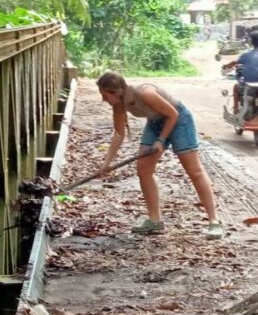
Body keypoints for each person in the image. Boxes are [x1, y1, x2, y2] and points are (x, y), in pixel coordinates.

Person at [96, 72, 224, 239]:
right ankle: (155, 220)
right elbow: (119, 134)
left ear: (116, 92)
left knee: (194, 171)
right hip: (156, 122)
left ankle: (214, 221)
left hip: (178, 121)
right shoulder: (118, 106)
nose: (103, 100)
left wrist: (161, 140)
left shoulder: (145, 93)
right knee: (143, 169)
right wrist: (106, 163)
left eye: (105, 95)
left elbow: (173, 114)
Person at [222, 31, 258, 113]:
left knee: (236, 87)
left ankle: (235, 109)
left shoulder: (246, 54)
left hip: (249, 86)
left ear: (251, 41)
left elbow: (234, 62)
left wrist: (226, 66)